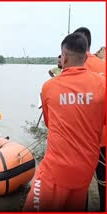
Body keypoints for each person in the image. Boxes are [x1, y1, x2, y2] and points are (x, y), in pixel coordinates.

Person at [23, 33, 105, 211]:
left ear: (64, 56)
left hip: (55, 169)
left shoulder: (49, 87)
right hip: (86, 170)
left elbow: (49, 122)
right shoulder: (102, 85)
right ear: (86, 57)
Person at [74, 26, 106, 212]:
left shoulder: (75, 67)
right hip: (103, 138)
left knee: (80, 185)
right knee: (103, 181)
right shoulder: (103, 66)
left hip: (81, 140)